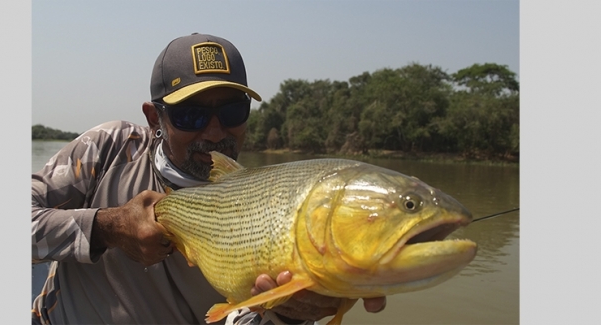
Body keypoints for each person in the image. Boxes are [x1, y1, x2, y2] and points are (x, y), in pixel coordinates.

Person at [31, 33, 386, 324]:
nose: (215, 132)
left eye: (232, 110)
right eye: (190, 115)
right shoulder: (110, 149)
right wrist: (107, 227)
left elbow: (236, 318)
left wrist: (286, 315)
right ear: (155, 118)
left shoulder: (272, 208)